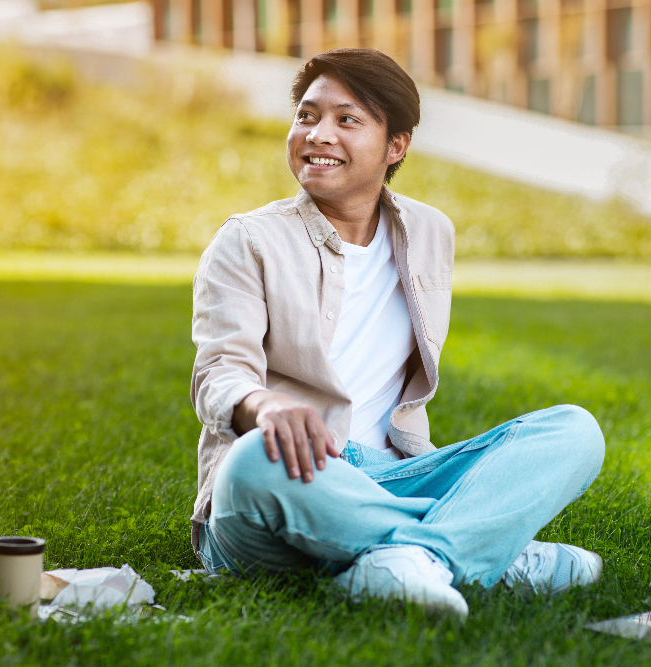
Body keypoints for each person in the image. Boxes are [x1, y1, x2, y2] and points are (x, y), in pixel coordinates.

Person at [189, 48, 606, 618]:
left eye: (347, 119)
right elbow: (219, 372)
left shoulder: (431, 232)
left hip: (394, 477)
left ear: (396, 146)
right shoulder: (248, 241)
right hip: (295, 477)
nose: (318, 134)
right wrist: (264, 408)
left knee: (574, 431)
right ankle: (488, 555)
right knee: (253, 459)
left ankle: (405, 561)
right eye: (307, 116)